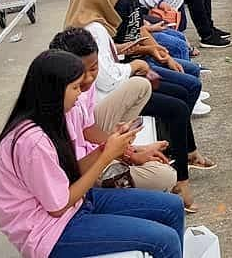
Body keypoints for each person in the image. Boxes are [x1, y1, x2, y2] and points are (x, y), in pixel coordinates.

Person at [0, 49, 185, 258]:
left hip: (77, 203)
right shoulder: (32, 142)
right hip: (51, 231)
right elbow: (58, 206)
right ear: (53, 92)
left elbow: (72, 173)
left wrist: (106, 147)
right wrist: (107, 156)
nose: (80, 93)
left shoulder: (52, 119)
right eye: (74, 87)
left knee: (173, 206)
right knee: (165, 240)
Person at [64, 0, 214, 211]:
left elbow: (116, 51)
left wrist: (143, 50)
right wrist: (136, 62)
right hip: (113, 91)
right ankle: (181, 177)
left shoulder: (101, 22)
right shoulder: (92, 29)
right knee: (175, 104)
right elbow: (105, 78)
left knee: (182, 89)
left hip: (121, 84)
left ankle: (185, 153)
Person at [49, 27, 177, 192]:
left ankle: (123, 158)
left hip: (90, 154)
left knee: (145, 86)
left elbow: (88, 129)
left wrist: (125, 149)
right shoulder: (61, 107)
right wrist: (128, 155)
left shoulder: (78, 91)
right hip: (81, 170)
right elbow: (70, 179)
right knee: (165, 177)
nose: (88, 78)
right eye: (81, 73)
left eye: (94, 69)